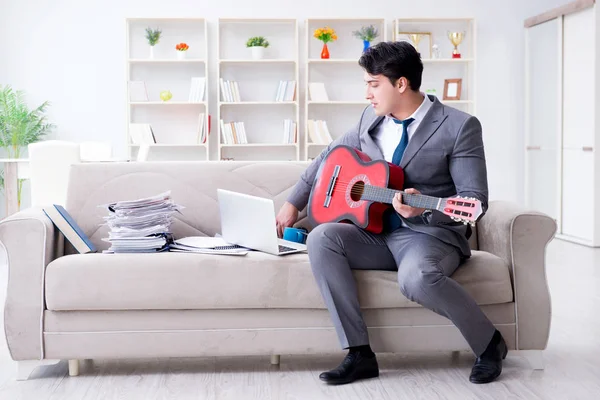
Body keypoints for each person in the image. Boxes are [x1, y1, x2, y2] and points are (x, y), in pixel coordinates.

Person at [275, 41, 507, 385]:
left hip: (428, 235)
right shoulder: (371, 117)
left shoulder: (459, 126)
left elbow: (474, 199)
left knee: (416, 279)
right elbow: (329, 155)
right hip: (376, 233)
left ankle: (489, 344)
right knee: (323, 237)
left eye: (373, 83)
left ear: (400, 84)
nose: (367, 93)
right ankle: (359, 353)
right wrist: (294, 202)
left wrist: (424, 209)